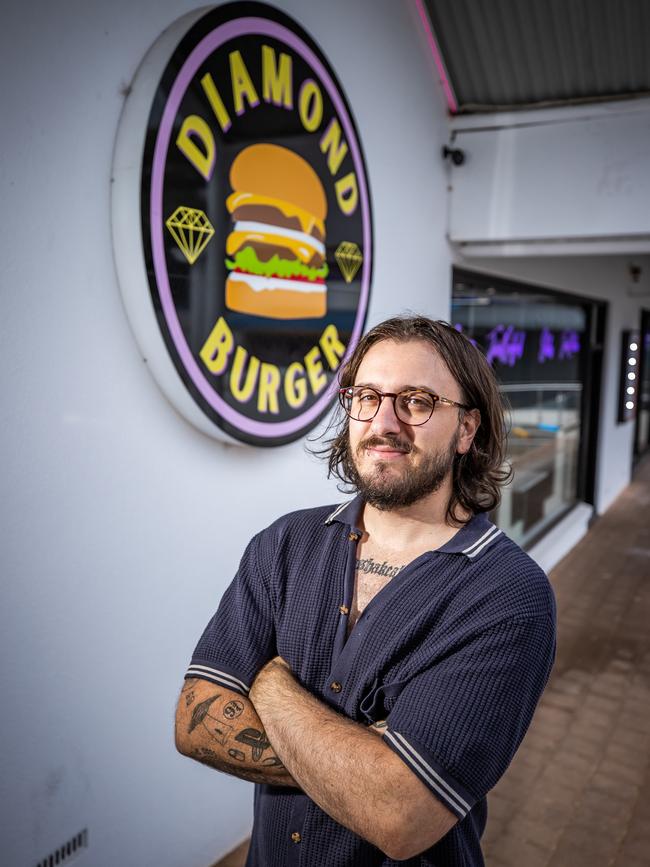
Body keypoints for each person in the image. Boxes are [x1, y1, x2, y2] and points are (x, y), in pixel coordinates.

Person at [175, 316, 556, 866]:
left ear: (468, 430)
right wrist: (367, 769)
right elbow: (195, 723)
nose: (385, 422)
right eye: (367, 397)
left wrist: (269, 685)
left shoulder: (507, 595)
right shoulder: (286, 544)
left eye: (417, 401)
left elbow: (402, 818)